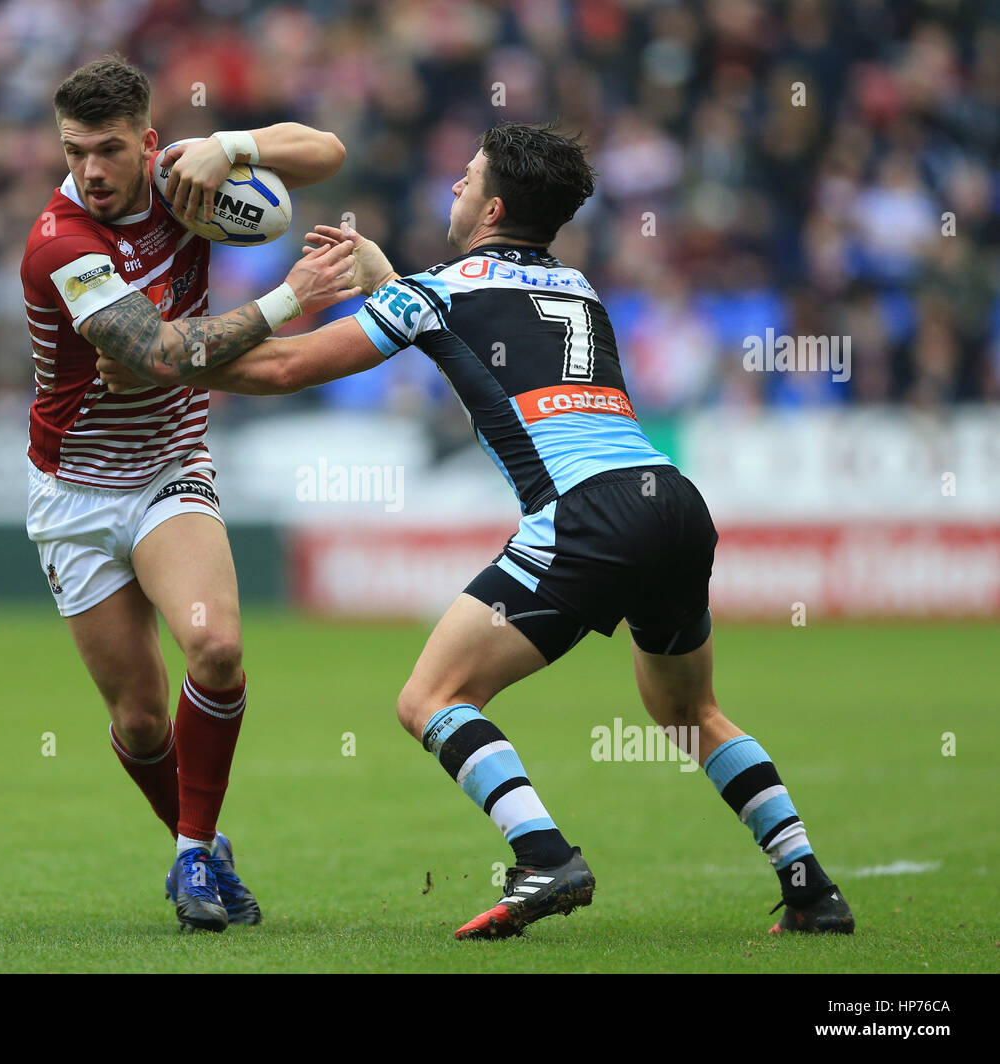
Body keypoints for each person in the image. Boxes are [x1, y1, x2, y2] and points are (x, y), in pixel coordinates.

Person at [101, 122, 855, 940]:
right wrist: (392, 278)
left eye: (464, 179)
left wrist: (158, 356)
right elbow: (480, 338)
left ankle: (545, 857)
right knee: (692, 712)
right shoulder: (577, 286)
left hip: (585, 513)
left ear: (492, 205)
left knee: (432, 698)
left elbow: (285, 366)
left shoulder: (435, 292)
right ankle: (810, 884)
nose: (452, 189)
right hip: (673, 503)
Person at [20, 54, 358, 932]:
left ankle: (190, 857)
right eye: (73, 150)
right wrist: (294, 295)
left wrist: (230, 145)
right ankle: (202, 841)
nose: (89, 170)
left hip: (170, 466)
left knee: (214, 652)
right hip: (75, 495)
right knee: (138, 723)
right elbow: (160, 355)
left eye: (106, 149)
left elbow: (327, 151)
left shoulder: (185, 183)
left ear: (148, 141)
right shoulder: (60, 241)